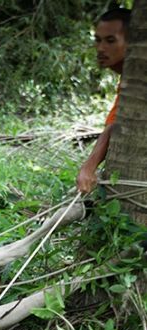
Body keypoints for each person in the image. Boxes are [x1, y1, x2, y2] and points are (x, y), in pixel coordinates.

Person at [77, 7, 130, 195]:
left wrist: (89, 167)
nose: (101, 48)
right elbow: (115, 123)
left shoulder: (138, 83)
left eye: (110, 41)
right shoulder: (129, 82)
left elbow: (115, 125)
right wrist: (88, 167)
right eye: (97, 40)